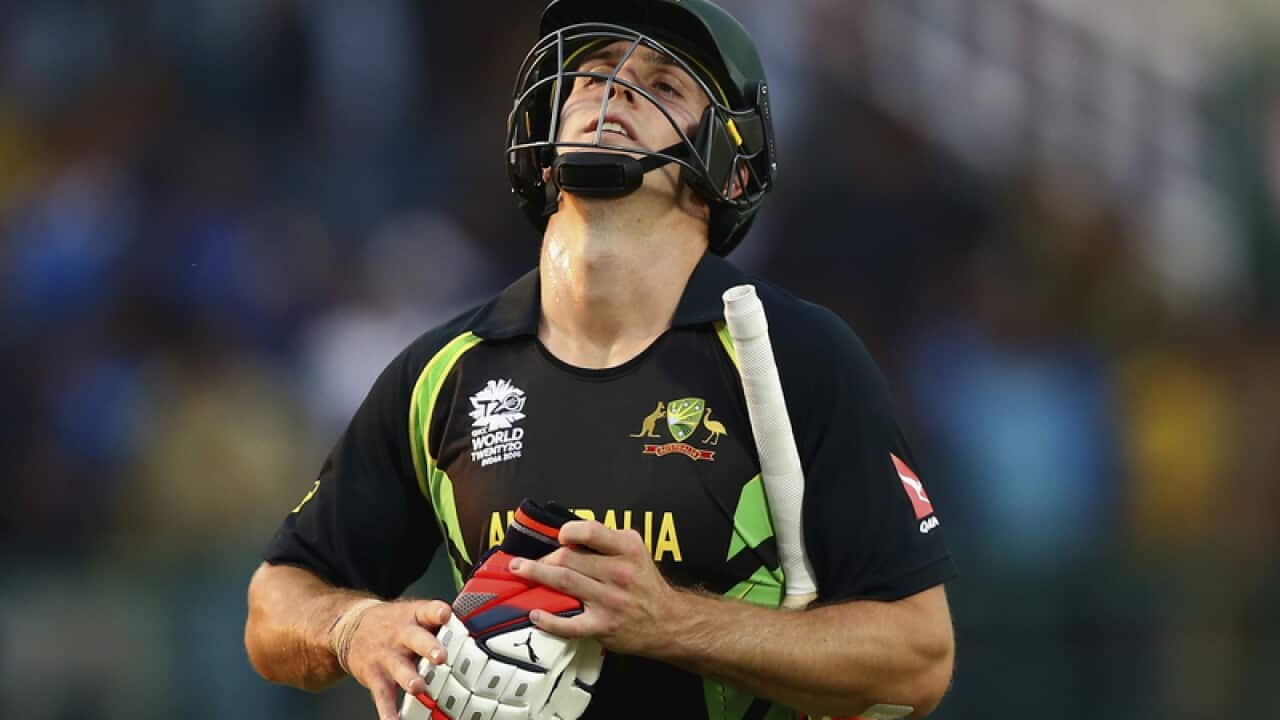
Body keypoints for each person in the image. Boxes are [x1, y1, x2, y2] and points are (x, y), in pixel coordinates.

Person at [244, 1, 956, 719]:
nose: (613, 90)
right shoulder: (446, 369)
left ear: (733, 174)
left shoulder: (797, 355)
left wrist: (674, 624)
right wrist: (352, 626)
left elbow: (917, 656)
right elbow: (275, 602)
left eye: (664, 84)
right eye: (589, 78)